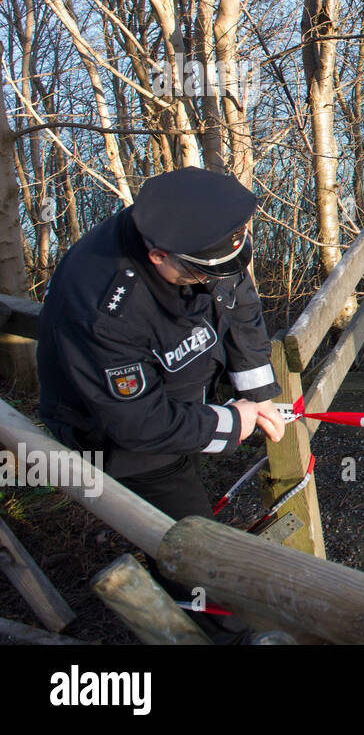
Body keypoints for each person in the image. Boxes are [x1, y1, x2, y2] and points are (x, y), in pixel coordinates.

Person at [37, 167, 286, 600]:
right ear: (158, 256)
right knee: (198, 561)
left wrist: (257, 395)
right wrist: (228, 424)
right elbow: (137, 424)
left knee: (194, 519)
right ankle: (217, 628)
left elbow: (238, 301)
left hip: (183, 405)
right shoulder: (105, 309)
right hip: (128, 445)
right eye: (198, 276)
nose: (212, 281)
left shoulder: (202, 236)